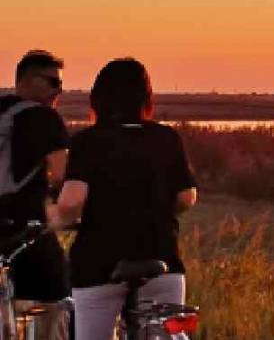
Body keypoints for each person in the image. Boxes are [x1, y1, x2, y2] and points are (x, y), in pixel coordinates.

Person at [52, 58, 197, 340]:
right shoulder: (167, 137)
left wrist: (56, 220)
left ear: (98, 98)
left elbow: (71, 203)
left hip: (99, 263)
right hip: (162, 259)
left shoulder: (87, 141)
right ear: (146, 97)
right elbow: (186, 197)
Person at [1, 50, 72, 330]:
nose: (59, 91)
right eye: (53, 83)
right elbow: (63, 176)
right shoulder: (43, 117)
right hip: (25, 235)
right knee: (58, 302)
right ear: (29, 81)